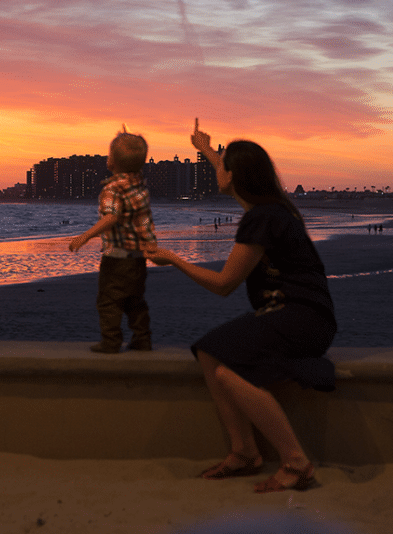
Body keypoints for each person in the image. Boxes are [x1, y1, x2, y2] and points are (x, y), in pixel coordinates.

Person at [145, 119, 338, 493]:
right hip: (303, 314)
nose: (218, 170)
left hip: (300, 318)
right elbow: (230, 169)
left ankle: (296, 462)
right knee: (208, 351)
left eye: (222, 167)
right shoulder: (272, 208)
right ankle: (244, 453)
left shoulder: (262, 219)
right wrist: (206, 149)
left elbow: (224, 285)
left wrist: (174, 259)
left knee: (227, 371)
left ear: (233, 176)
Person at [69, 129, 158, 353]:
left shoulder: (113, 188)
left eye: (109, 155)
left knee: (109, 300)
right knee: (135, 300)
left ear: (112, 162)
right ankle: (142, 338)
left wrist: (85, 235)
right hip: (138, 258)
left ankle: (110, 341)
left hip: (116, 258)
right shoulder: (139, 186)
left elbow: (112, 217)